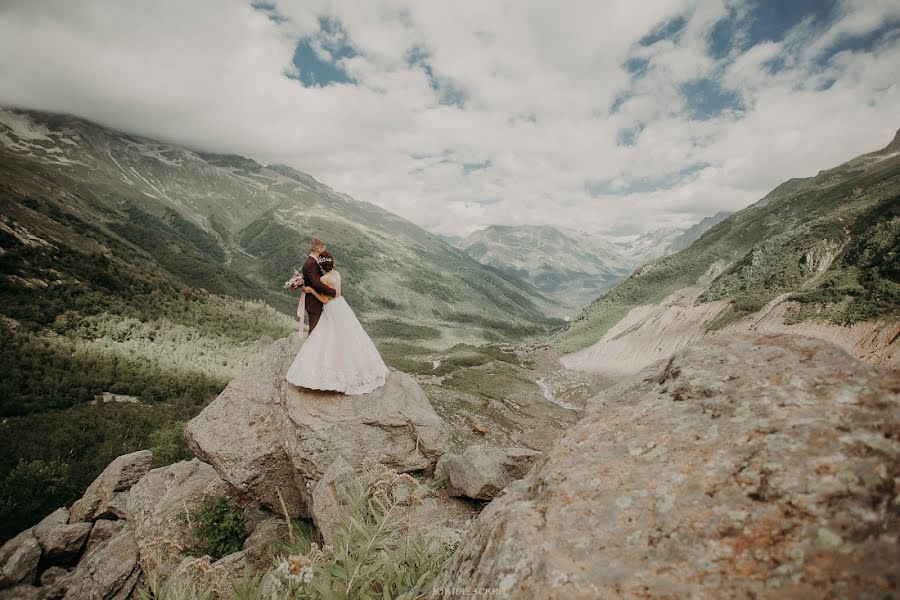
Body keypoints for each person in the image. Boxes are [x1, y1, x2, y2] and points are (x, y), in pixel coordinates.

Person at [285, 250, 390, 395]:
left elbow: (325, 300)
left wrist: (311, 290)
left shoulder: (324, 280)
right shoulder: (337, 274)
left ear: (321, 266)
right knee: (348, 336)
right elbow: (336, 292)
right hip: (342, 305)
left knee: (329, 336)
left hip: (331, 309)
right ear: (332, 263)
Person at [301, 238, 337, 334]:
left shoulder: (312, 262)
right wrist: (333, 292)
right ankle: (309, 349)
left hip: (317, 301)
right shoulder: (311, 263)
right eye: (324, 249)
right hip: (314, 303)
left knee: (317, 331)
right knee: (314, 332)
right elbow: (317, 284)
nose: (324, 251)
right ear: (319, 249)